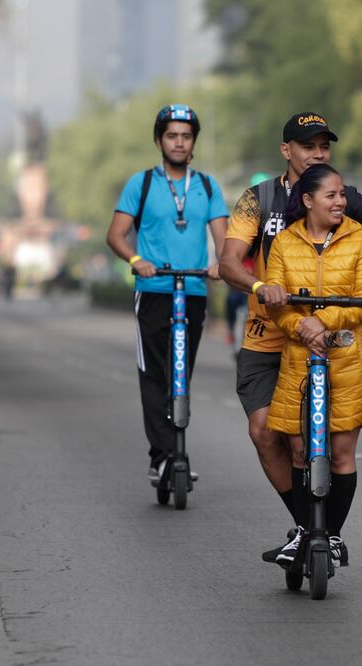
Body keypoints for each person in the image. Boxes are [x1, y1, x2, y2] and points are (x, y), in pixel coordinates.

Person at [218, 111, 362, 562]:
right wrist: (262, 288)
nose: (318, 153)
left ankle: (317, 534)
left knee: (326, 445)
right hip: (271, 333)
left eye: (324, 145)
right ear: (287, 152)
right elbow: (228, 263)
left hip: (331, 342)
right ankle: (307, 526)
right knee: (266, 431)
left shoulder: (344, 198)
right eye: (308, 146)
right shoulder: (257, 199)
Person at [263, 163, 362, 566]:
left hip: (347, 358)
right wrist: (300, 325)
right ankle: (304, 531)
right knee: (299, 451)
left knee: (342, 451)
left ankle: (331, 536)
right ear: (309, 200)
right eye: (331, 195)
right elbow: (276, 306)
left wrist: (323, 321)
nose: (340, 202)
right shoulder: (283, 243)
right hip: (299, 357)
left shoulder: (360, 239)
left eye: (342, 195)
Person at [105, 103, 228, 482]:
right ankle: (164, 455)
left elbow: (225, 243)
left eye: (186, 136)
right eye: (172, 135)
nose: (179, 142)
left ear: (194, 143)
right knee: (154, 374)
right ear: (159, 140)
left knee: (181, 374)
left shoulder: (207, 186)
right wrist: (136, 259)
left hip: (192, 290)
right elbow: (115, 235)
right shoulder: (141, 184)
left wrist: (221, 265)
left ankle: (173, 448)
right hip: (154, 288)